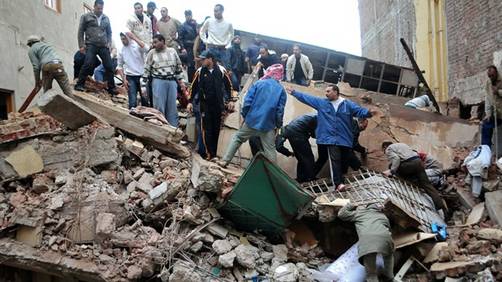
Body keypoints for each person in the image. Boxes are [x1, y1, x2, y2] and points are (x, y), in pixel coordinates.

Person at [287, 85, 375, 191]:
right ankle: (338, 184)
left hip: (344, 139)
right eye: (326, 91)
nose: (326, 93)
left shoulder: (348, 105)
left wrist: (369, 113)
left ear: (336, 92)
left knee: (343, 160)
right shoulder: (322, 103)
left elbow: (360, 111)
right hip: (329, 139)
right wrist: (295, 93)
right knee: (335, 159)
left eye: (328, 91)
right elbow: (307, 98)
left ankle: (338, 181)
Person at [218, 64, 287, 167]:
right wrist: (278, 125)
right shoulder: (281, 91)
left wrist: (245, 116)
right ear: (279, 75)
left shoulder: (259, 84)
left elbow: (247, 102)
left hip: (252, 121)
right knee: (270, 150)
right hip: (268, 125)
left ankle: (225, 161)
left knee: (238, 138)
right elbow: (280, 111)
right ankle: (272, 176)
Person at [187, 50, 233, 160]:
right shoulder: (200, 71)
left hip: (218, 105)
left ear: (210, 59)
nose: (202, 61)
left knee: (216, 129)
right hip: (204, 105)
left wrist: (231, 100)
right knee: (206, 129)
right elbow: (193, 88)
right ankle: (209, 154)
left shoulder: (221, 70)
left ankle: (215, 154)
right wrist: (190, 102)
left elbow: (229, 86)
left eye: (203, 59)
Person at [382, 142, 448, 212]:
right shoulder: (402, 145)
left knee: (393, 167)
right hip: (418, 162)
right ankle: (440, 206)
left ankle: (407, 186)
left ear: (385, 147)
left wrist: (391, 171)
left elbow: (396, 159)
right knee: (427, 185)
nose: (384, 152)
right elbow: (415, 152)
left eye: (383, 150)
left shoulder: (389, 149)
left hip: (409, 164)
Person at [338, 203, 394, 282]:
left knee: (371, 273)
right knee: (388, 256)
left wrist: (352, 204)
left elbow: (341, 214)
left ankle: (373, 279)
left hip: (368, 242)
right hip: (385, 239)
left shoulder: (360, 213)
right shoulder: (382, 216)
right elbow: (389, 230)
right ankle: (390, 277)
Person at [75, 0, 116, 94]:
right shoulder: (86, 17)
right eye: (98, 8)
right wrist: (81, 45)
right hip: (91, 44)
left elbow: (109, 32)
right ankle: (80, 84)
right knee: (88, 63)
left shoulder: (106, 18)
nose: (100, 10)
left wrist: (109, 43)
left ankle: (112, 88)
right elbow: (80, 31)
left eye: (102, 8)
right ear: (94, 7)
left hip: (103, 46)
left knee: (109, 66)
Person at [143, 34, 184, 127]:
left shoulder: (172, 51)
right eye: (153, 42)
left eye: (156, 42)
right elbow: (146, 70)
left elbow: (178, 67)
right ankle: (160, 129)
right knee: (159, 106)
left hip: (172, 81)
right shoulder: (152, 53)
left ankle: (173, 130)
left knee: (172, 107)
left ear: (162, 41)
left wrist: (181, 82)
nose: (154, 45)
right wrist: (143, 86)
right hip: (158, 81)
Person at [277, 113, 318, 182]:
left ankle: (301, 179)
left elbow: (278, 147)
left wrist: (289, 153)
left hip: (297, 132)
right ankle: (311, 180)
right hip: (298, 134)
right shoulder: (316, 117)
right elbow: (314, 134)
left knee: (302, 158)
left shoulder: (283, 130)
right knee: (308, 159)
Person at [116, 33, 149, 109]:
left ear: (128, 38)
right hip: (130, 77)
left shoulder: (136, 45)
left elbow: (146, 48)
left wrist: (134, 37)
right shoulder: (121, 50)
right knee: (132, 102)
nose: (123, 41)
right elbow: (119, 66)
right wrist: (124, 79)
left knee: (145, 100)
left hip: (142, 77)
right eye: (121, 39)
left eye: (124, 39)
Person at [199, 4, 234, 68]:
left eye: (217, 11)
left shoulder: (228, 24)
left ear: (222, 11)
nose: (215, 13)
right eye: (214, 11)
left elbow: (231, 35)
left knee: (227, 70)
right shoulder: (209, 21)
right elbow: (202, 31)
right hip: (211, 48)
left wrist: (227, 43)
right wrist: (205, 40)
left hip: (223, 49)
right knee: (202, 64)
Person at [482, 65, 502, 147]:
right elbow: (487, 99)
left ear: (496, 73)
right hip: (496, 113)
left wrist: (498, 92)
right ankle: (485, 150)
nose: (491, 78)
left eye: (492, 75)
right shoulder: (488, 83)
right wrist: (488, 114)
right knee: (486, 124)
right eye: (489, 76)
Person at [178, 10, 198, 82]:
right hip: (188, 48)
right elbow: (180, 38)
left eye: (189, 15)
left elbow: (199, 35)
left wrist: (196, 25)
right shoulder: (182, 26)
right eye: (187, 15)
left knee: (197, 65)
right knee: (190, 66)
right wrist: (183, 48)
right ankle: (190, 84)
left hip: (196, 48)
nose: (188, 16)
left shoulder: (195, 24)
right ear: (185, 16)